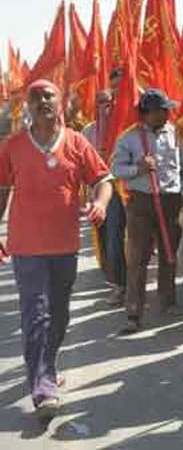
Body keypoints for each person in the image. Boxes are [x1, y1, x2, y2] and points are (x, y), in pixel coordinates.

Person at [0, 80, 112, 417]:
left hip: (64, 245)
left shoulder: (77, 143)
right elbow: (2, 189)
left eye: (49, 95)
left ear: (60, 101)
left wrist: (100, 203)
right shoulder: (12, 146)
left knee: (59, 315)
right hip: (26, 246)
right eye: (35, 97)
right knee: (36, 314)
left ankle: (45, 363)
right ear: (27, 106)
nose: (42, 101)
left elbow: (102, 180)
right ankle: (43, 387)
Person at [111, 88, 183, 333]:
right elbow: (115, 169)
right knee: (138, 258)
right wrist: (137, 168)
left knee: (169, 254)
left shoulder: (177, 134)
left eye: (166, 110)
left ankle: (168, 301)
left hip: (171, 201)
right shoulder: (128, 138)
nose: (164, 115)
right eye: (159, 111)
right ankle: (134, 312)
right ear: (145, 113)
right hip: (141, 203)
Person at [82, 88, 128, 306]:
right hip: (99, 193)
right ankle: (116, 283)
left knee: (120, 239)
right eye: (100, 102)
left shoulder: (124, 128)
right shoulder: (88, 132)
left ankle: (125, 286)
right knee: (107, 240)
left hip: (124, 192)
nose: (105, 106)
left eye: (109, 101)